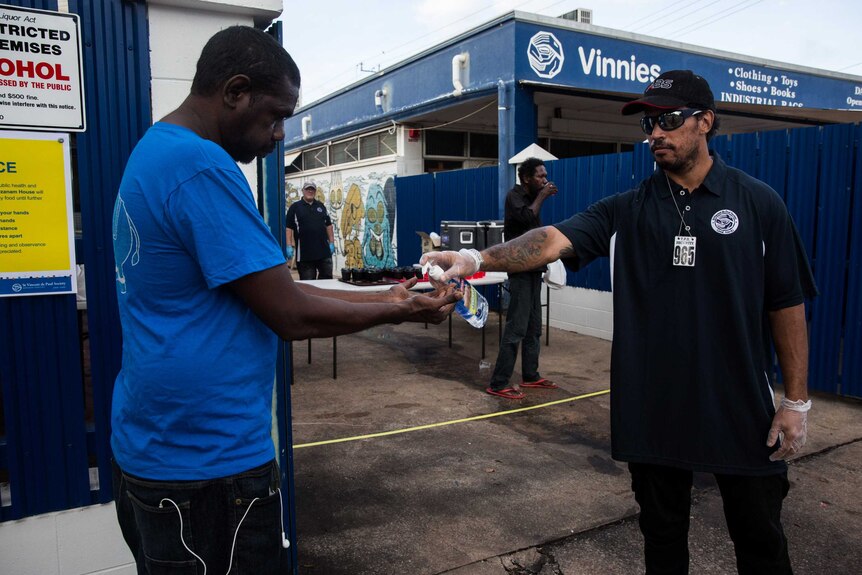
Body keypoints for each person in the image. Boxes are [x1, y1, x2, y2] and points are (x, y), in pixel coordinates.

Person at [422, 69, 817, 574]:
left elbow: (787, 303)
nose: (655, 133)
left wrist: (797, 403)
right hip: (655, 410)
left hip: (740, 410)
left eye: (669, 120)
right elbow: (548, 240)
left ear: (706, 122)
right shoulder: (627, 210)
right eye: (649, 123)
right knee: (663, 542)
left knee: (761, 545)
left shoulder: (758, 203)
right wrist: (476, 260)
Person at [110, 26, 459, 575]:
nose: (278, 135)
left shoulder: (155, 151)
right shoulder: (201, 168)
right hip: (206, 467)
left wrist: (389, 296)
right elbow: (289, 314)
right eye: (275, 116)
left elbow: (276, 292)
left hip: (155, 446)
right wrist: (405, 308)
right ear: (235, 91)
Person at [486, 157, 558, 399]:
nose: (545, 180)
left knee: (534, 327)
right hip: (520, 271)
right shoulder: (514, 196)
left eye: (545, 175)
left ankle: (530, 375)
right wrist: (542, 197)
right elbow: (527, 217)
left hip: (534, 269)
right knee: (516, 327)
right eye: (540, 176)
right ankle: (498, 383)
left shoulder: (530, 197)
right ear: (526, 178)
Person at [286, 181, 336, 279]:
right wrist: (288, 246)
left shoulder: (321, 206)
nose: (310, 191)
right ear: (303, 191)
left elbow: (328, 225)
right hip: (305, 255)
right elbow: (289, 228)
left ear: (315, 191)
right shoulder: (295, 207)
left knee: (327, 282)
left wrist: (331, 242)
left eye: (312, 189)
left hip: (324, 253)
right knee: (309, 284)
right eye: (307, 189)